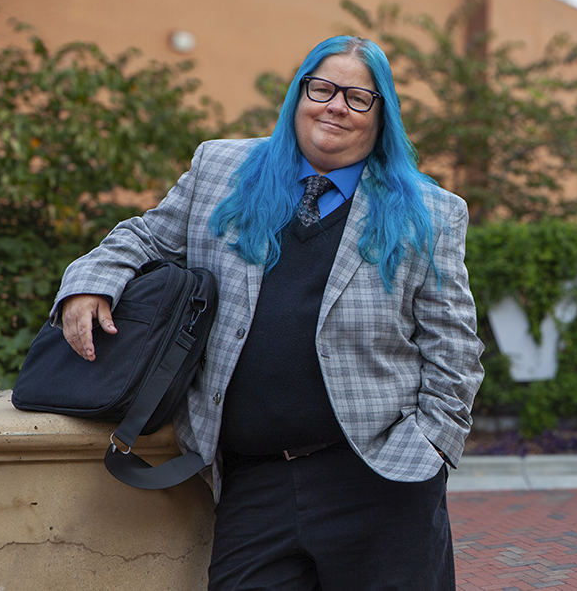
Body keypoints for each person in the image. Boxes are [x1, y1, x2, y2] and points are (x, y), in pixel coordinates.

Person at [53, 36, 484, 590]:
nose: (335, 105)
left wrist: (429, 449)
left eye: (358, 97)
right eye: (322, 88)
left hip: (382, 482)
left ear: (383, 116)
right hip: (254, 481)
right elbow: (143, 237)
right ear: (297, 95)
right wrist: (88, 284)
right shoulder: (222, 168)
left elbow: (455, 348)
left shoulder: (430, 212)